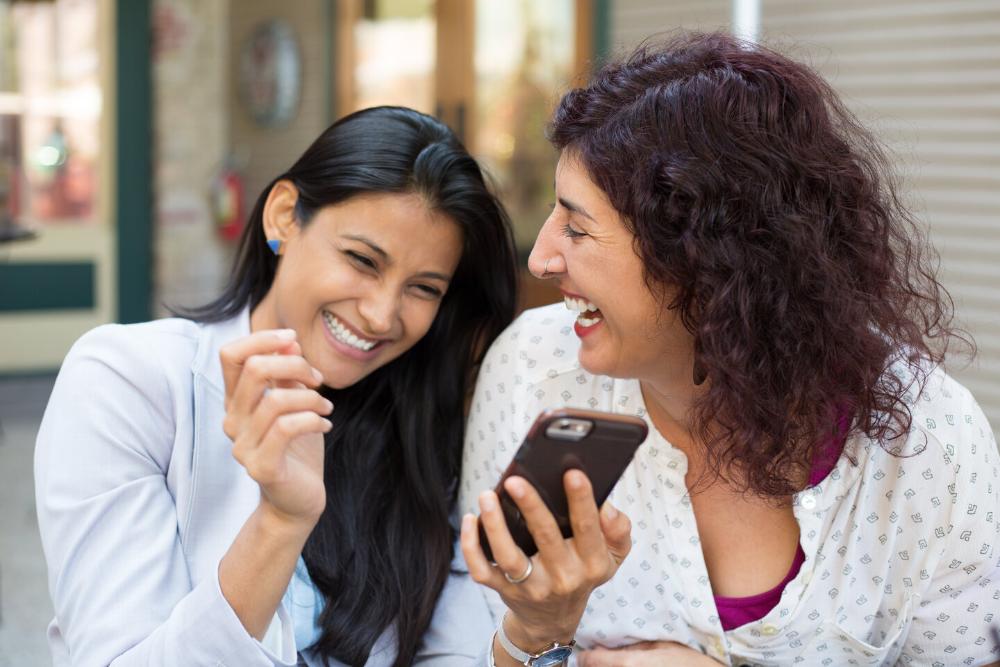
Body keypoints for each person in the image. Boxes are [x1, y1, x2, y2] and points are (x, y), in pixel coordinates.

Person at [459, 33, 1000, 667]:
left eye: (577, 228)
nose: (541, 258)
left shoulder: (925, 433)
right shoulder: (530, 370)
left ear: (709, 263)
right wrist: (539, 636)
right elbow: (465, 646)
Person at [35, 106, 516, 666]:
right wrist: (280, 523)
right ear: (285, 216)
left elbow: (455, 655)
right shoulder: (130, 382)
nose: (382, 315)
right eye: (362, 260)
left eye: (424, 288)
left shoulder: (418, 425)